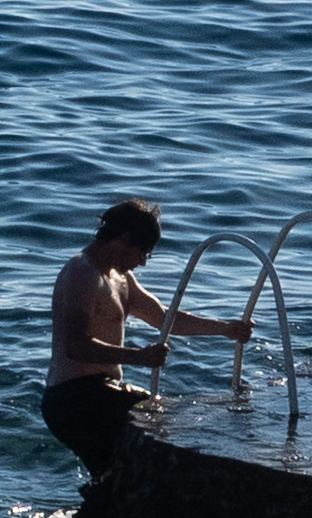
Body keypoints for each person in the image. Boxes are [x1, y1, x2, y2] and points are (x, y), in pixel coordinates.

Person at [45, 197, 253, 467]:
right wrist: (139, 357)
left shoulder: (121, 280)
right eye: (143, 252)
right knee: (160, 415)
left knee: (117, 470)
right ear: (123, 238)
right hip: (72, 398)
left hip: (101, 394)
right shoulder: (81, 273)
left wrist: (226, 329)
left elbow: (167, 320)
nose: (142, 263)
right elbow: (75, 345)